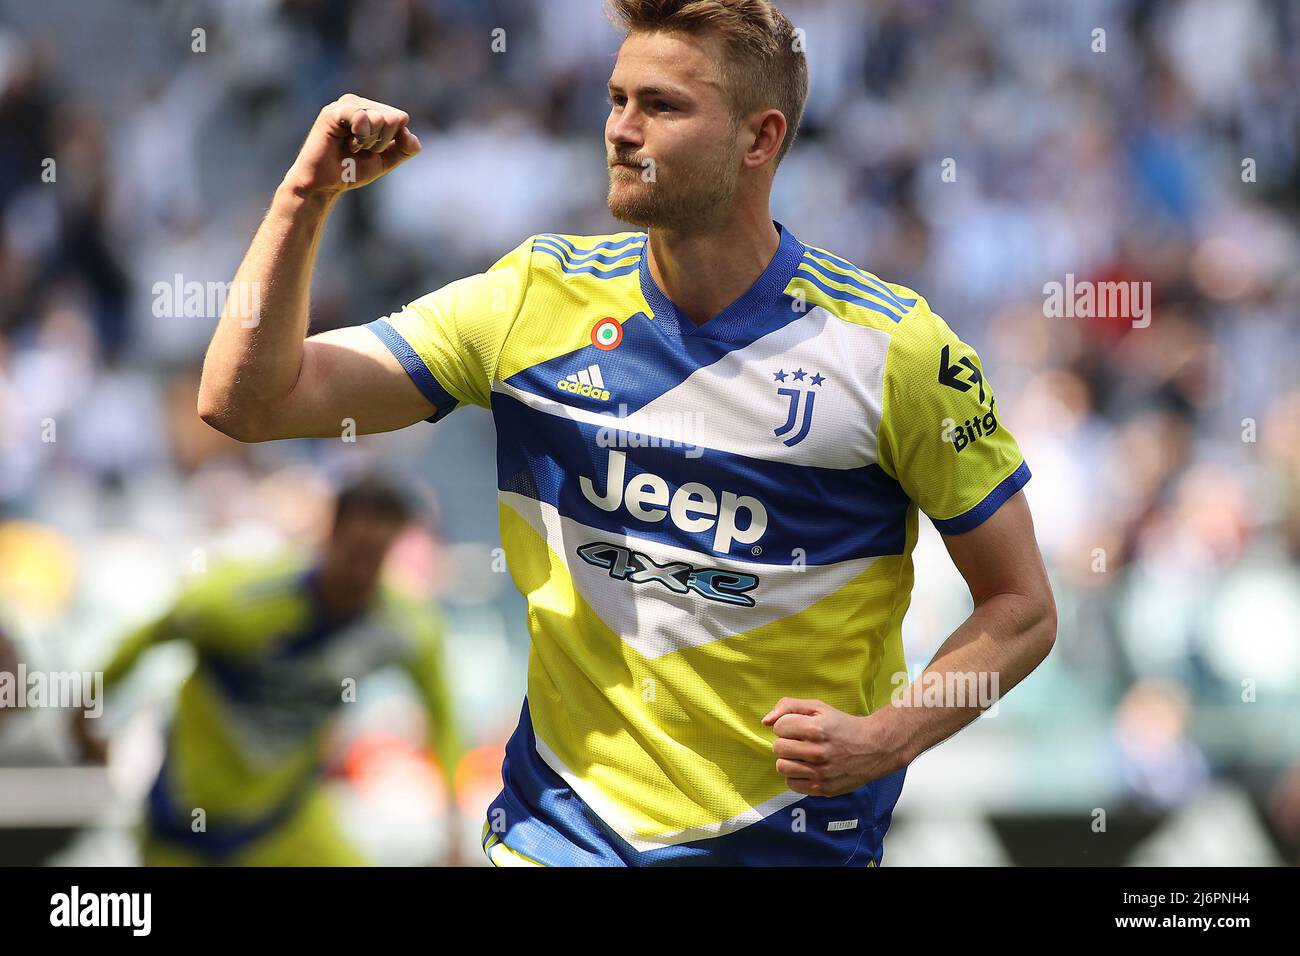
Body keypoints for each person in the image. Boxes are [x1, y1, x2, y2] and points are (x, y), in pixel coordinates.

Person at [197, 0, 1056, 866]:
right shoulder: (531, 298)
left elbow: (1021, 607)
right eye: (616, 100)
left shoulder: (893, 351)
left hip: (782, 845)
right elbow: (250, 402)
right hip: (559, 836)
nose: (621, 129)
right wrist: (303, 198)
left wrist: (887, 737)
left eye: (662, 106)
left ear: (759, 140)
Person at [74, 476, 464, 866]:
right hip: (188, 828)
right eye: (355, 553)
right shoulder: (239, 601)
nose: (361, 575)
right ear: (331, 534)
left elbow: (442, 716)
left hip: (286, 821)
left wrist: (454, 826)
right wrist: (82, 716)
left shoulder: (402, 626)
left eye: (376, 558)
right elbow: (148, 635)